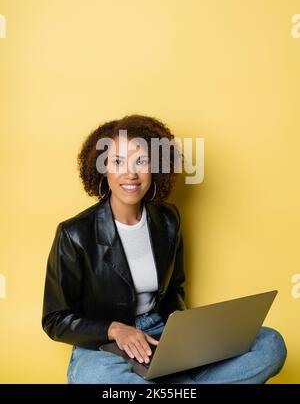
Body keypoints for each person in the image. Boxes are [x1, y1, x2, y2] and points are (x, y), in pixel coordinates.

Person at [42, 114, 287, 384]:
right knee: (97, 377)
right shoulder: (74, 233)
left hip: (159, 331)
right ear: (103, 169)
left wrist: (181, 337)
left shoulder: (169, 219)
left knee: (270, 344)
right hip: (103, 344)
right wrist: (115, 329)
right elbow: (55, 318)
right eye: (117, 162)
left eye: (141, 161)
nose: (130, 173)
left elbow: (175, 289)